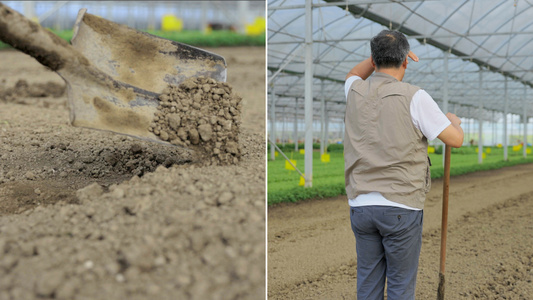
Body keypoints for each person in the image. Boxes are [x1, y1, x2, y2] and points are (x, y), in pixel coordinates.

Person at [344, 30, 464, 299]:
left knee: (368, 280)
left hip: (361, 205)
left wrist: (379, 54)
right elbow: (455, 140)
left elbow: (354, 72)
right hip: (401, 205)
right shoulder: (415, 97)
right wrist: (453, 122)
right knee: (400, 284)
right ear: (406, 62)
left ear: (373, 61)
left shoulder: (353, 90)